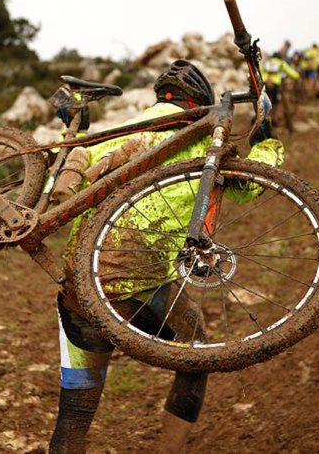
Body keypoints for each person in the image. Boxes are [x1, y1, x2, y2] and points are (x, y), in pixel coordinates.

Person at [48, 60, 285, 453]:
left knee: (75, 411)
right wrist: (267, 141)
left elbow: (56, 179)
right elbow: (250, 184)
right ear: (200, 105)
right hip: (137, 286)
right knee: (196, 355)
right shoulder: (203, 143)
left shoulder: (118, 133)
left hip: (78, 285)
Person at [262, 52, 300, 131]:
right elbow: (290, 72)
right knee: (276, 103)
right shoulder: (281, 63)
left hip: (265, 84)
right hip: (276, 85)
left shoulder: (267, 62)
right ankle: (274, 118)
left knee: (266, 102)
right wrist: (297, 75)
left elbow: (261, 71)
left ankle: (266, 119)